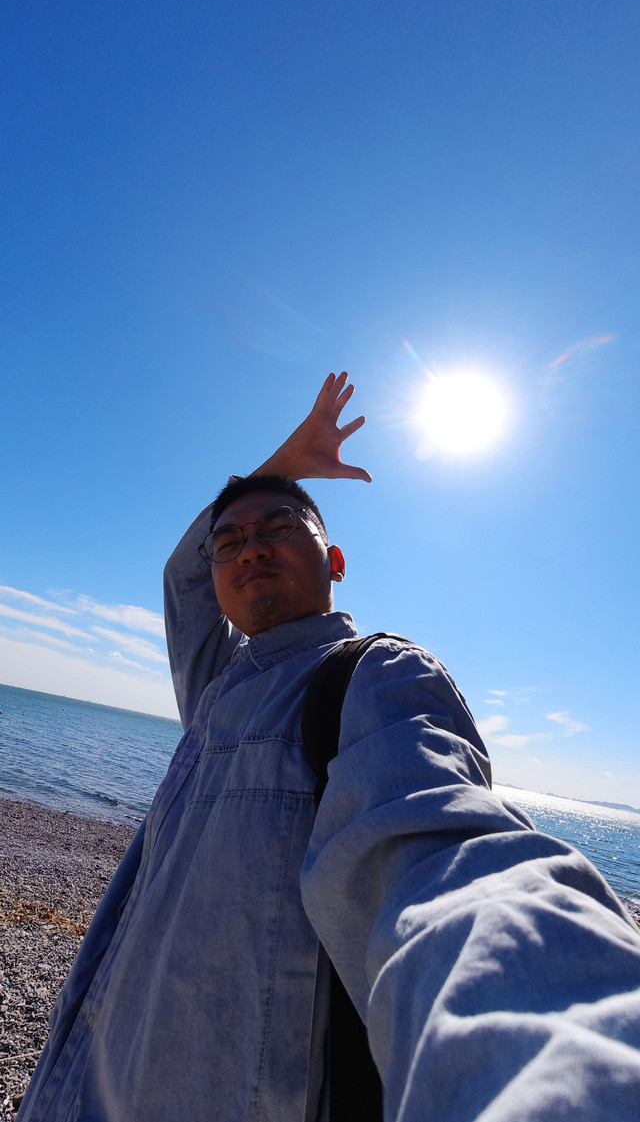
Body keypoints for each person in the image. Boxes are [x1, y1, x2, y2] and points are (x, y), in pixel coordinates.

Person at [19, 374, 640, 1122]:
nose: (250, 549)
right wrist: (282, 469)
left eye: (279, 527)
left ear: (336, 561)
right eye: (229, 543)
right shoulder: (219, 686)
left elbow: (442, 856)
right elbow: (181, 574)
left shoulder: (373, 677)